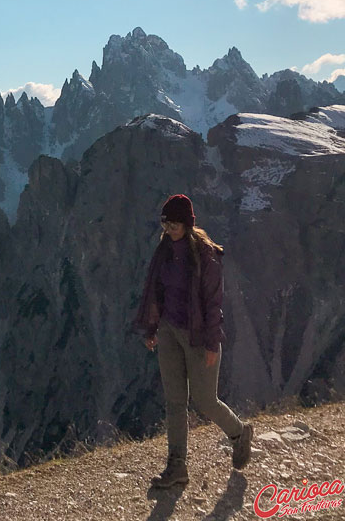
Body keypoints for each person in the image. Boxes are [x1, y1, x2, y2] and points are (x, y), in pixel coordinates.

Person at [133, 193, 253, 488]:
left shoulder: (205, 255)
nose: (169, 228)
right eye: (166, 222)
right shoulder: (164, 250)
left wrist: (213, 343)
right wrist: (151, 329)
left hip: (198, 337)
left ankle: (239, 433)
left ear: (187, 224)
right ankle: (177, 467)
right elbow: (156, 291)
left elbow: (213, 303)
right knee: (174, 401)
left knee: (205, 401)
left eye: (174, 223)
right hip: (169, 331)